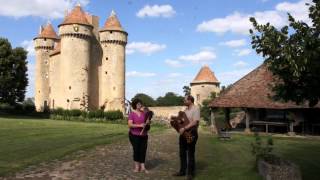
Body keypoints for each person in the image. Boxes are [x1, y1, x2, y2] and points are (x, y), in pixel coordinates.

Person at [173, 95, 200, 180]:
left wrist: (184, 128)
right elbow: (182, 121)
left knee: (190, 154)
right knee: (182, 153)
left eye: (185, 100)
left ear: (190, 100)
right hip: (183, 135)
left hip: (192, 133)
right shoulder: (185, 110)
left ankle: (190, 174)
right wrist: (176, 120)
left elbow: (195, 122)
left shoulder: (196, 109)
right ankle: (182, 171)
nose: (183, 101)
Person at [128, 98, 150, 173]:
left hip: (144, 135)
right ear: (134, 105)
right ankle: (137, 167)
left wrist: (148, 124)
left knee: (143, 150)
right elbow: (130, 125)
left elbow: (147, 124)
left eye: (140, 104)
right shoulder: (132, 114)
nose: (139, 105)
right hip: (134, 135)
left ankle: (143, 167)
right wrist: (139, 125)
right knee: (136, 150)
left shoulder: (144, 113)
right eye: (138, 104)